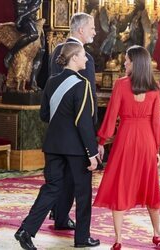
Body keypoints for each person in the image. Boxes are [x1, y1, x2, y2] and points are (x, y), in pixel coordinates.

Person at [14, 42, 101, 250]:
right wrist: (92, 152)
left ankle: (26, 230)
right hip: (76, 149)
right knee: (82, 193)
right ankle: (82, 238)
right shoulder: (82, 84)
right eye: (83, 56)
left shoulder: (51, 81)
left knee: (51, 189)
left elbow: (44, 115)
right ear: (73, 59)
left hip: (52, 145)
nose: (86, 59)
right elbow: (84, 122)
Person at [93, 45, 160, 250]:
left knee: (121, 185)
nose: (124, 63)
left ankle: (118, 239)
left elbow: (111, 117)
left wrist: (101, 141)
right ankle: (157, 233)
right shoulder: (155, 88)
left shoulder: (120, 85)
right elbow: (156, 123)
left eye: (127, 60)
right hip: (146, 141)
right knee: (150, 186)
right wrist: (156, 149)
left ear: (135, 62)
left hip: (125, 139)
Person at [48, 12, 100, 240]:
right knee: (77, 179)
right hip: (78, 127)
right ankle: (78, 232)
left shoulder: (55, 52)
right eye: (92, 28)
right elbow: (89, 97)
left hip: (57, 128)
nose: (95, 32)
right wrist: (93, 133)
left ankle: (60, 216)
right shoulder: (82, 57)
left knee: (62, 176)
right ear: (80, 30)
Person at [4, 0, 42, 68]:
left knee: (41, 50)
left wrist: (22, 17)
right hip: (23, 21)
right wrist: (21, 18)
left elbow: (35, 6)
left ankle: (34, 78)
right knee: (33, 35)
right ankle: (11, 53)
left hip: (29, 20)